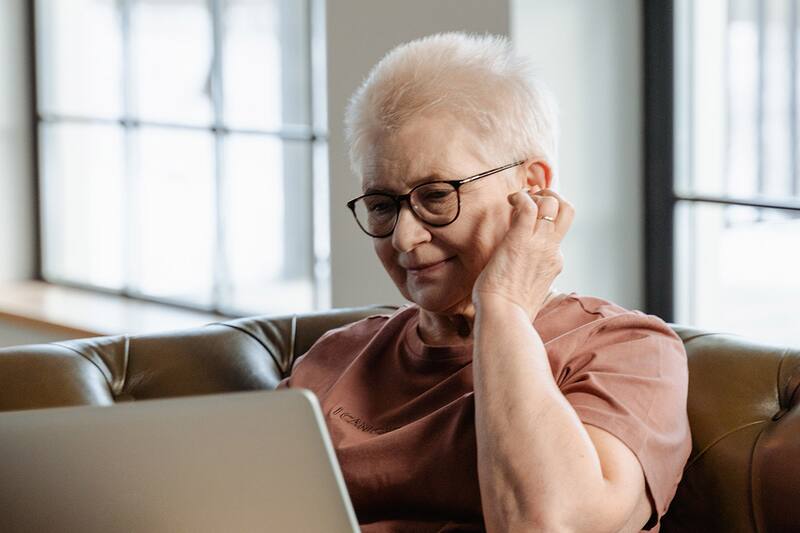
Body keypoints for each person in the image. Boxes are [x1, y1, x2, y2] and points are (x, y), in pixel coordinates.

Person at [277, 32, 691, 533]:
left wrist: (502, 306)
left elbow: (546, 525)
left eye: (435, 196)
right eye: (383, 205)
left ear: (532, 186)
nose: (405, 238)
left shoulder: (629, 353)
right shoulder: (333, 361)